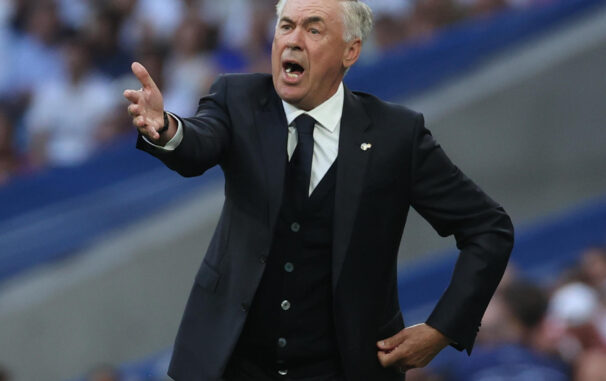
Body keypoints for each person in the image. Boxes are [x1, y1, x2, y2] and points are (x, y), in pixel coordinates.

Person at [123, 0, 514, 379]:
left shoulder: (396, 135)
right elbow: (199, 143)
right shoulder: (238, 98)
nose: (293, 40)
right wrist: (168, 128)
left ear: (351, 51)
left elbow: (488, 228)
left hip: (345, 367)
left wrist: (441, 330)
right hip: (231, 365)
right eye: (286, 26)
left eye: (313, 29)